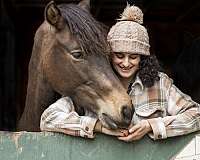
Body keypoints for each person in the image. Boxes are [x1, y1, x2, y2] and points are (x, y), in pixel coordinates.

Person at [40, 4, 200, 141]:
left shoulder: (160, 85)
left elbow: (196, 116)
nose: (125, 63)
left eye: (133, 57)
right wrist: (97, 127)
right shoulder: (91, 87)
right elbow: (48, 119)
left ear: (142, 58)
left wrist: (152, 126)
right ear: (109, 54)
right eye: (119, 55)